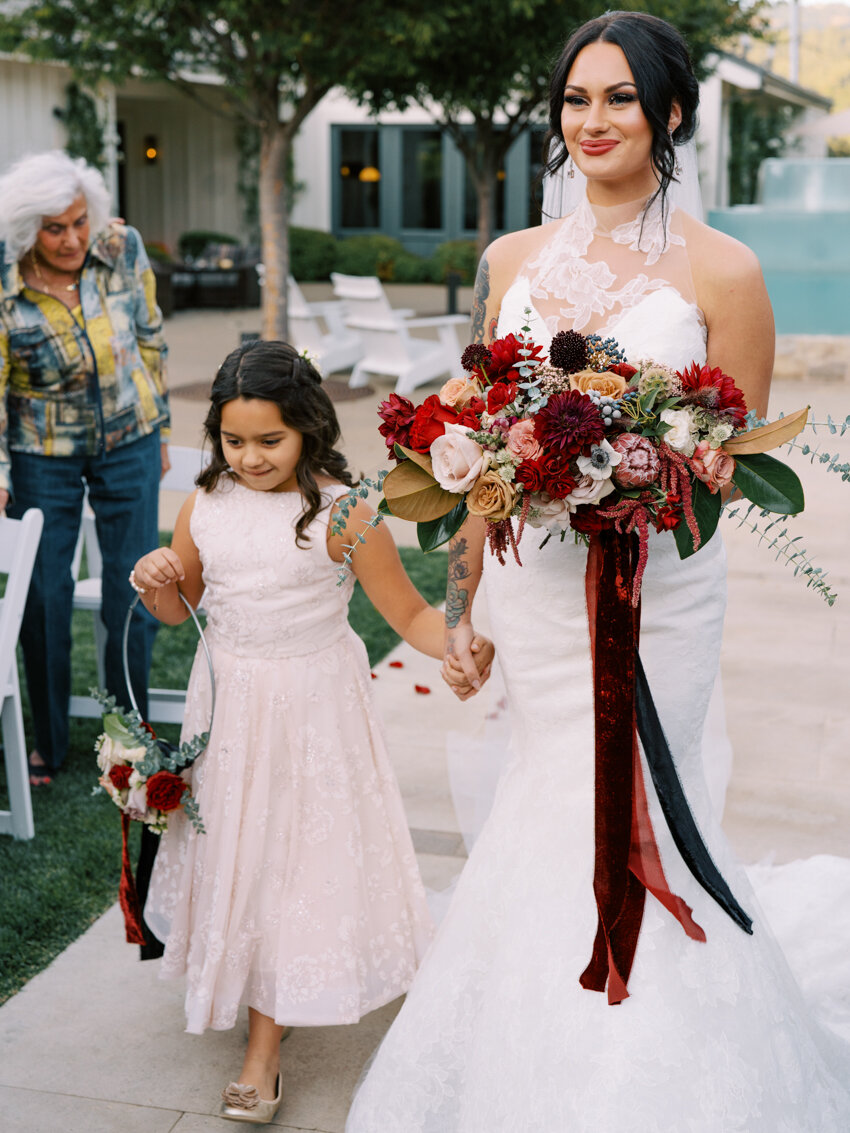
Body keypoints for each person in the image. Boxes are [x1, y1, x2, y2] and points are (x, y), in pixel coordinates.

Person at [345, 12, 850, 1130]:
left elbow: (731, 457)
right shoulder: (511, 263)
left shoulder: (726, 269)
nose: (593, 120)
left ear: (668, 113)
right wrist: (461, 606)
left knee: (635, 808)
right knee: (546, 790)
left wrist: (633, 471)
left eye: (619, 98)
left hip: (658, 597)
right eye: (576, 99)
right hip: (533, 596)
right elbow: (472, 456)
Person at [131, 340, 493, 1124]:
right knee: (240, 849)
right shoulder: (206, 504)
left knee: (293, 858)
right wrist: (155, 576)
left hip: (311, 709)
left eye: (271, 441)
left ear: (308, 430)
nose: (250, 458)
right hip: (227, 704)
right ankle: (250, 982)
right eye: (234, 441)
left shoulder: (346, 512)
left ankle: (264, 1047)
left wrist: (459, 642)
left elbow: (410, 614)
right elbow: (178, 607)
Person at [0, 149, 169, 785]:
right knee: (45, 592)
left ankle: (131, 733)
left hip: (130, 436)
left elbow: (150, 334)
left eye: (78, 222)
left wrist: (162, 428)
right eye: (54, 228)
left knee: (137, 588)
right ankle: (49, 740)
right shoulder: (3, 278)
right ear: (25, 231)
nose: (72, 239)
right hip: (39, 451)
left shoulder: (120, 247)